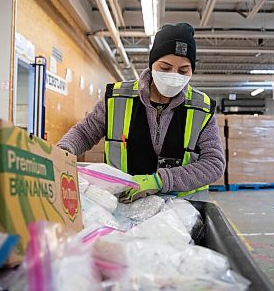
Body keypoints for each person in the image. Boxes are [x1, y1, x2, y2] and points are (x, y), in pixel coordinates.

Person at [57, 22, 225, 203]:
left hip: (180, 211)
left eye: (183, 70)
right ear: (152, 64)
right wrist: (62, 153)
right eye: (165, 68)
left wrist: (161, 180)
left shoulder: (202, 109)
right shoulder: (118, 98)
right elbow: (84, 133)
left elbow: (214, 163)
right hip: (122, 204)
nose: (174, 75)